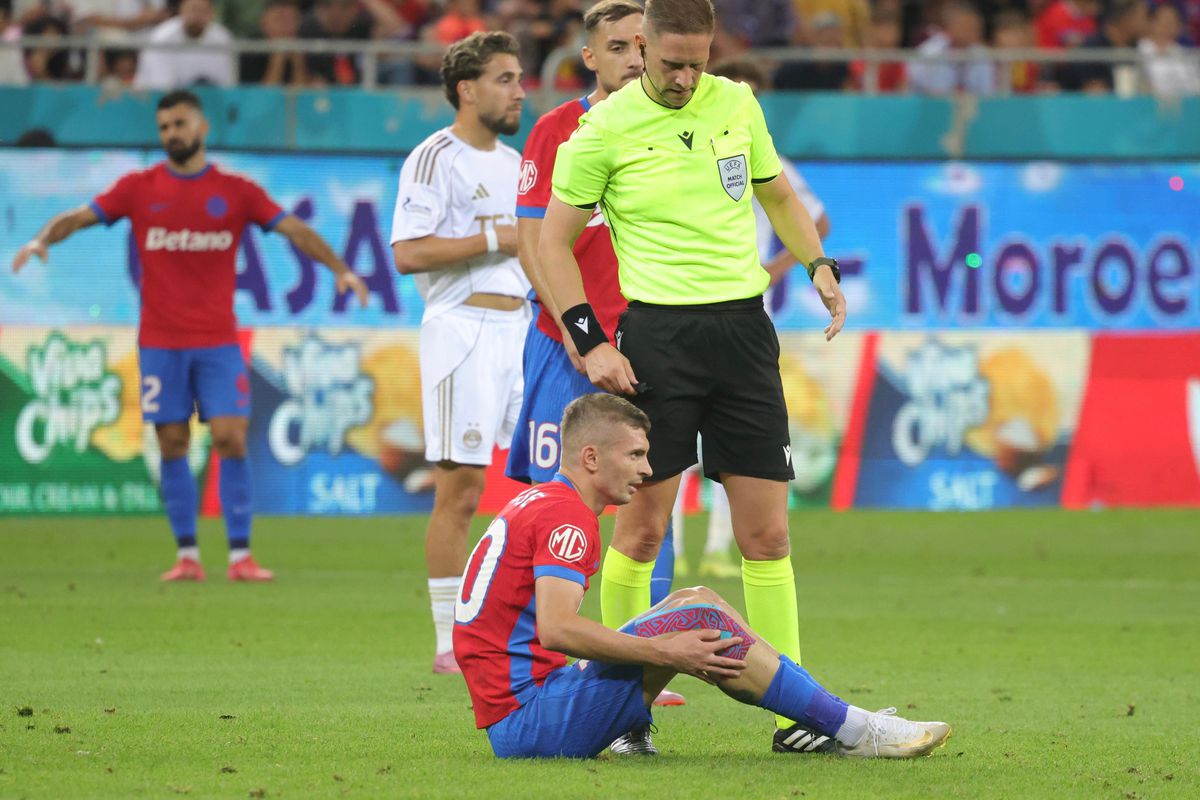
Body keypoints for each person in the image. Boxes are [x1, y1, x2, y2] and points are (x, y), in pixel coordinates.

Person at [537, 0, 847, 755]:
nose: (683, 77)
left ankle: (795, 716)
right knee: (641, 532)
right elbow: (550, 244)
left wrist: (819, 266)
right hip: (658, 338)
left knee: (767, 535)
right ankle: (623, 719)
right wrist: (590, 341)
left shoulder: (736, 103)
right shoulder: (601, 131)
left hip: (744, 334)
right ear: (640, 47)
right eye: (670, 62)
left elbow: (777, 193)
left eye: (696, 62)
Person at [454, 393, 951, 760]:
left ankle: (843, 723)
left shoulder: (540, 501)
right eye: (634, 455)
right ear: (591, 458)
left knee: (697, 600)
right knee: (698, 616)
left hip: (524, 711)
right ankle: (858, 731)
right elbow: (557, 629)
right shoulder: (569, 520)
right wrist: (664, 653)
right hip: (531, 723)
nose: (646, 470)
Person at [11, 90, 369, 582]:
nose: (171, 134)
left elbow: (294, 231)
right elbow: (78, 216)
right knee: (172, 440)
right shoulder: (139, 188)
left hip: (217, 340)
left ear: (202, 128)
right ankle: (187, 556)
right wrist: (39, 240)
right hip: (160, 341)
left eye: (179, 124)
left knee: (231, 437)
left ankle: (241, 555)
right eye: (163, 127)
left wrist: (341, 270)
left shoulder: (236, 191)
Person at [503, 0, 684, 715]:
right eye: (618, 47)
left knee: (648, 497)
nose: (634, 60)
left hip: (648, 343)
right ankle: (546, 654)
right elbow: (530, 245)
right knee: (561, 501)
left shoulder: (678, 124)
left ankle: (647, 657)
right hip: (566, 348)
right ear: (590, 56)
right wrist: (582, 340)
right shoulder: (556, 130)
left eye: (643, 46)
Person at [389, 31, 529, 676]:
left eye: (520, 78)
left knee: (541, 481)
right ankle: (449, 642)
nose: (519, 90)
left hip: (524, 331)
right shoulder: (432, 158)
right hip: (462, 331)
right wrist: (491, 236)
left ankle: (535, 628)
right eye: (505, 79)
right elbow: (408, 253)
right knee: (462, 488)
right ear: (466, 89)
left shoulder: (515, 163)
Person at [672, 55, 831, 583]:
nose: (751, 104)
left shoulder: (766, 153)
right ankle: (670, 549)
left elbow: (815, 216)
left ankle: (719, 547)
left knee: (732, 442)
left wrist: (777, 269)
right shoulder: (679, 141)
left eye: (757, 95)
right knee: (673, 443)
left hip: (744, 309)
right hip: (675, 307)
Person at [133, 0, 234, 89]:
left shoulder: (223, 39)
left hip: (208, 100)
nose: (196, 16)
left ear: (212, 13)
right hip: (160, 99)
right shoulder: (162, 38)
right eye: (192, 9)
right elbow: (162, 86)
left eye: (202, 10)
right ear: (181, 11)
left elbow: (226, 84)